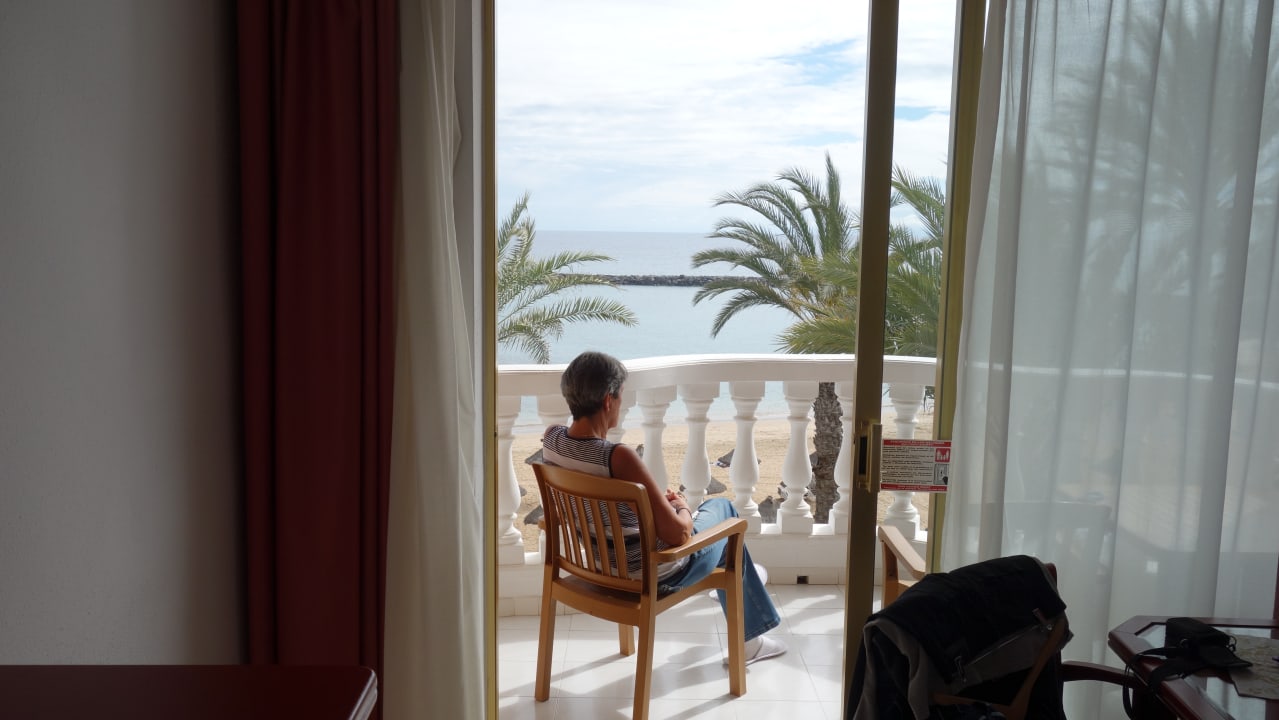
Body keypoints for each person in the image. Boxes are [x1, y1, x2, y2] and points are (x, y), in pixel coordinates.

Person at [542, 350, 786, 665]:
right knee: (724, 512)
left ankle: (738, 579)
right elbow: (678, 535)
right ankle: (747, 633)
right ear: (608, 401)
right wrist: (682, 508)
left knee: (723, 537)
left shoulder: (552, 440)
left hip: (599, 567)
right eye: (621, 396)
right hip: (652, 576)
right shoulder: (617, 457)